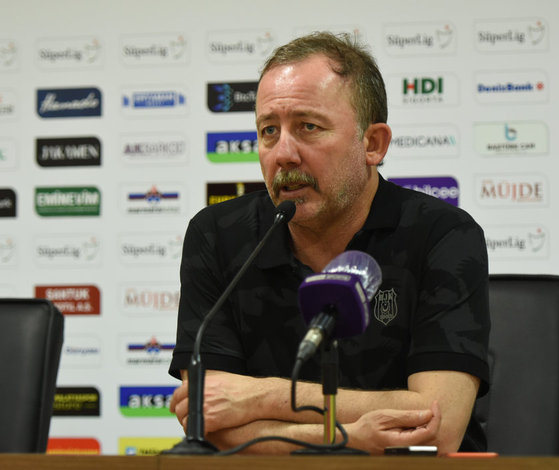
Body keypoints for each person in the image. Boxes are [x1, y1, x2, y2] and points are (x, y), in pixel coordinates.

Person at [169, 31, 490, 455]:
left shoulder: (443, 234)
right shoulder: (217, 235)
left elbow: (438, 423)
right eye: (269, 130)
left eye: (308, 127)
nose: (284, 153)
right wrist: (348, 439)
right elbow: (209, 422)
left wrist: (262, 398)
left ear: (372, 144)